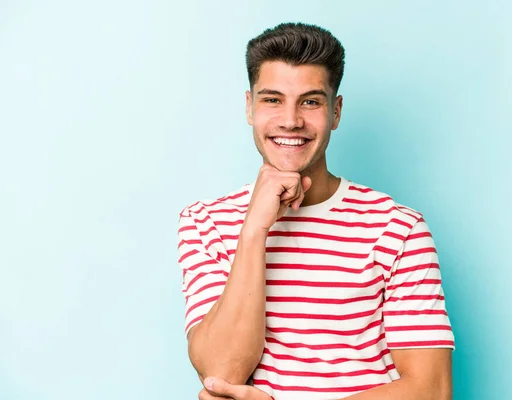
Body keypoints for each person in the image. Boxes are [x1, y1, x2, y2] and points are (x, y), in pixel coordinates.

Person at [177, 22, 455, 400]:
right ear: (249, 107)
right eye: (272, 99)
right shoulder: (204, 222)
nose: (290, 120)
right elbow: (220, 372)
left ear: (336, 112)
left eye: (310, 101)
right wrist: (254, 230)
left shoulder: (398, 228)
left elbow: (431, 390)